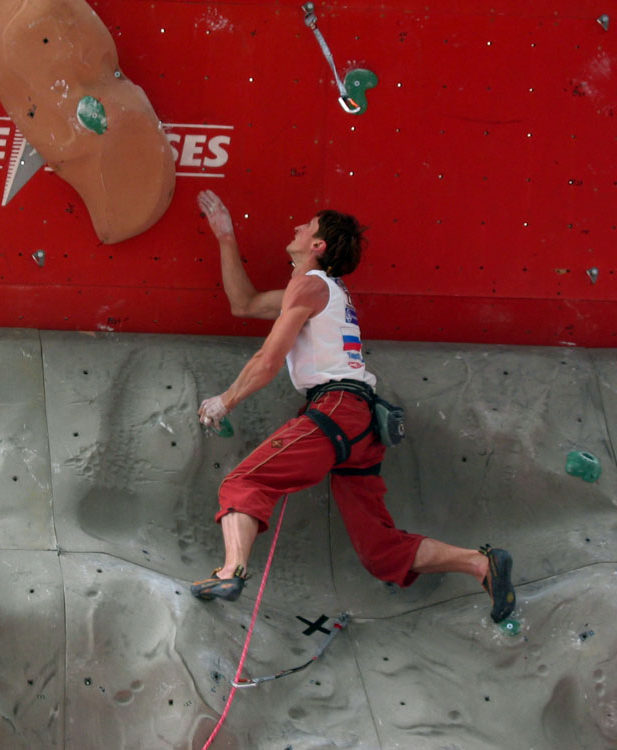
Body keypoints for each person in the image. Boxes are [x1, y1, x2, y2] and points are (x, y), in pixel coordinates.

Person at [189, 189, 515, 624]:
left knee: (244, 481)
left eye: (307, 226)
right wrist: (226, 238)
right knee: (379, 550)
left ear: (317, 245)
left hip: (336, 409)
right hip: (360, 423)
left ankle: (230, 572)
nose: (297, 227)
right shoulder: (321, 291)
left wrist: (224, 401)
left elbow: (268, 359)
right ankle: (479, 563)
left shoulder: (309, 286)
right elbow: (243, 304)